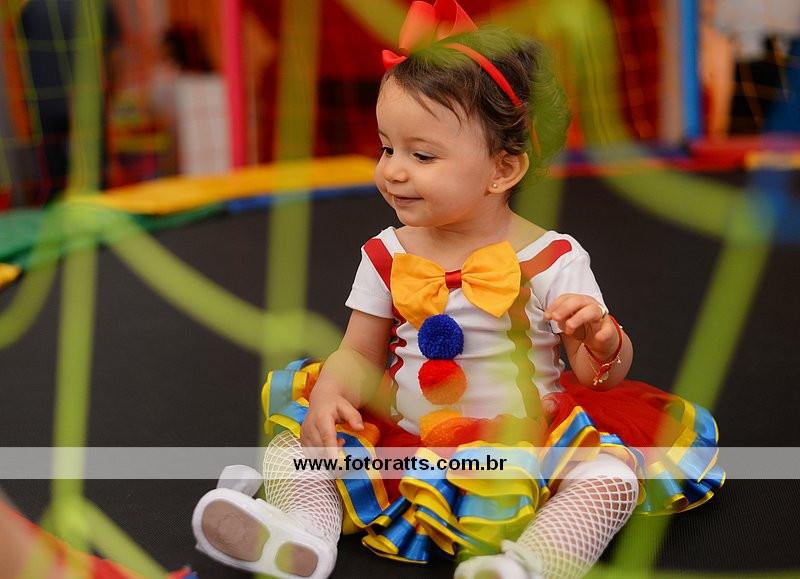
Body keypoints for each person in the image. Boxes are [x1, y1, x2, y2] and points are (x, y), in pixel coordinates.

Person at [191, 2, 723, 578]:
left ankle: (534, 563)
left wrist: (601, 337)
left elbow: (602, 376)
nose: (394, 170)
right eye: (386, 147)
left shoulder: (551, 257)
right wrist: (330, 397)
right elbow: (357, 353)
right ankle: (302, 535)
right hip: (408, 440)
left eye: (422, 155)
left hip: (521, 450)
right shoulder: (386, 253)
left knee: (610, 476)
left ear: (503, 170)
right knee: (297, 441)